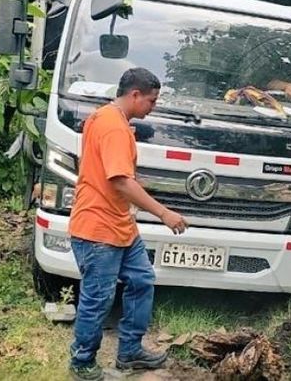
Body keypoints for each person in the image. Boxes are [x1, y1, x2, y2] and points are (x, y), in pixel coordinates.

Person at [68, 67, 189, 381]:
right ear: (135, 95)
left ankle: (130, 351)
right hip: (98, 229)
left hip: (120, 224)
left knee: (141, 280)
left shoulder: (105, 118)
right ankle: (82, 364)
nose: (154, 107)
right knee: (98, 298)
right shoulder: (114, 128)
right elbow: (120, 180)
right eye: (151, 100)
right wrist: (164, 213)